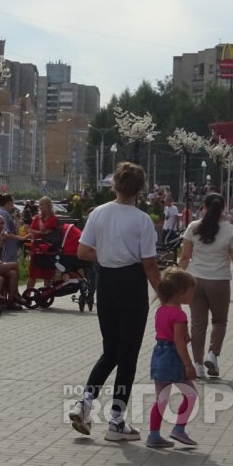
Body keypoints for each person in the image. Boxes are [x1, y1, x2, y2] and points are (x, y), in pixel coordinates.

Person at [68, 162, 161, 441]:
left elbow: (83, 251)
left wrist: (108, 252)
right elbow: (149, 263)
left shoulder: (98, 213)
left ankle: (85, 402)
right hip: (132, 285)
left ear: (115, 185)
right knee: (128, 355)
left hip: (106, 283)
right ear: (139, 189)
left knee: (110, 351)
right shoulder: (142, 220)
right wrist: (164, 295)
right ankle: (117, 421)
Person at [177, 193, 233, 379]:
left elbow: (185, 256)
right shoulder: (231, 230)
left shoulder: (193, 227)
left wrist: (177, 280)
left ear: (204, 207)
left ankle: (198, 365)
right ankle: (212, 354)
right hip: (219, 281)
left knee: (198, 324)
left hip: (195, 280)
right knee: (219, 321)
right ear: (223, 209)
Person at [146, 268, 199, 449]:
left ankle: (154, 435)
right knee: (191, 394)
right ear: (180, 291)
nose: (193, 294)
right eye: (191, 290)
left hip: (158, 355)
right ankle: (179, 428)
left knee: (161, 398)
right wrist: (189, 364)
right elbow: (178, 342)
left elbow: (168, 333)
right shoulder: (179, 314)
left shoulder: (160, 310)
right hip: (173, 357)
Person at [26, 196, 62, 294]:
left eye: (42, 204)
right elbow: (31, 231)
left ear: (48, 205)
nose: (40, 206)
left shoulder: (53, 218)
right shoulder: (36, 217)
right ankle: (28, 295)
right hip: (36, 247)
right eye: (39, 204)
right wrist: (43, 232)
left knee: (47, 275)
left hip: (47, 248)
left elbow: (42, 229)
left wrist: (40, 222)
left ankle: (46, 295)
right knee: (32, 274)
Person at [0, 194, 22, 263]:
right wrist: (21, 238)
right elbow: (5, 232)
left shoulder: (3, 212)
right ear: (8, 203)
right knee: (9, 265)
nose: (13, 206)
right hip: (7, 246)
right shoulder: (3, 213)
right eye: (12, 203)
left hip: (9, 245)